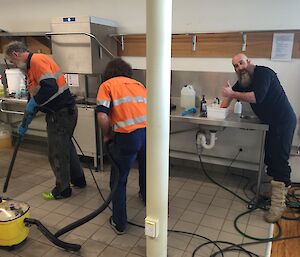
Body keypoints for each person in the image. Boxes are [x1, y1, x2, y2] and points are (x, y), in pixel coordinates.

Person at [4, 41, 86, 200]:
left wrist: (33, 104)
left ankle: (62, 190)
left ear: (15, 54)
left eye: (12, 61)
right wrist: (26, 121)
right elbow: (34, 95)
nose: (13, 64)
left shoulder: (37, 60)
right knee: (65, 147)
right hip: (63, 112)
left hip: (61, 114)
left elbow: (50, 87)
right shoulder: (29, 68)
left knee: (56, 151)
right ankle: (79, 180)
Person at [221, 53, 297, 223]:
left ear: (249, 61)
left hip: (283, 122)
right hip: (271, 123)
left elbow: (257, 97)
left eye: (241, 63)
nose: (239, 67)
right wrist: (220, 108)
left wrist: (232, 93)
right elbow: (230, 95)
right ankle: (273, 194)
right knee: (269, 156)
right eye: (235, 66)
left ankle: (278, 204)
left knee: (279, 160)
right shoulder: (244, 79)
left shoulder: (264, 74)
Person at [96, 58, 146, 234]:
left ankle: (119, 222)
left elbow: (102, 117)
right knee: (146, 169)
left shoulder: (107, 85)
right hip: (148, 134)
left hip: (127, 136)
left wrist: (107, 135)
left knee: (119, 179)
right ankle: (146, 196)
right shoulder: (139, 84)